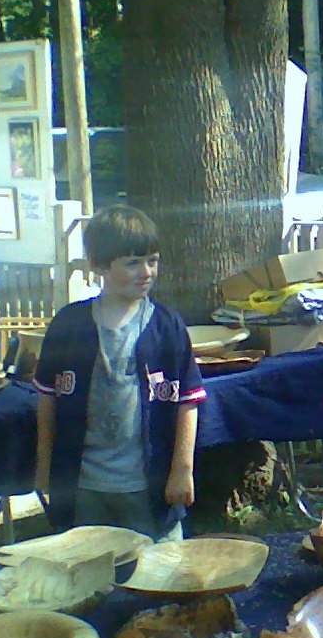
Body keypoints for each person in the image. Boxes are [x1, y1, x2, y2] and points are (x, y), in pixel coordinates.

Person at [33, 205, 206, 538]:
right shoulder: (69, 325)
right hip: (84, 485)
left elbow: (188, 400)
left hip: (148, 484)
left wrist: (182, 470)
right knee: (90, 569)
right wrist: (44, 467)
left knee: (161, 569)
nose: (146, 272)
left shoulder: (166, 327)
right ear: (99, 266)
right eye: (132, 263)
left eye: (152, 260)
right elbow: (47, 400)